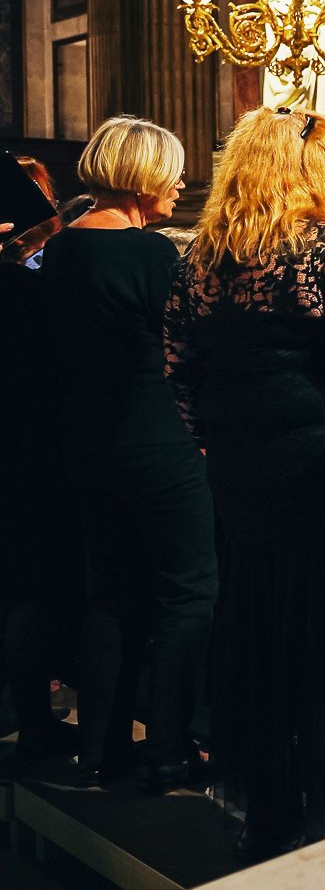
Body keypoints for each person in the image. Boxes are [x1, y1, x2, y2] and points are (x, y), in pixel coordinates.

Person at [163, 107, 325, 856]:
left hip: (241, 471)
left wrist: (212, 445)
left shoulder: (200, 256)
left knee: (256, 628)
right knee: (319, 632)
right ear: (311, 169)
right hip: (322, 465)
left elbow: (177, 370)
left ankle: (269, 806)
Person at [37, 117, 214, 790]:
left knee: (110, 594)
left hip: (87, 446)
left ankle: (101, 748)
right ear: (142, 179)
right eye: (171, 172)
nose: (179, 184)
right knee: (190, 594)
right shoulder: (153, 256)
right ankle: (168, 747)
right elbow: (186, 352)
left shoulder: (60, 251)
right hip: (158, 442)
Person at [1, 157, 74, 773]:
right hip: (32, 445)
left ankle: (31, 720)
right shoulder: (28, 284)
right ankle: (34, 724)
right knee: (29, 585)